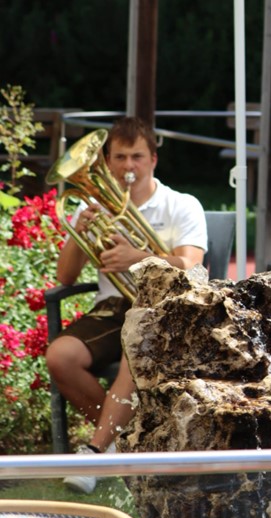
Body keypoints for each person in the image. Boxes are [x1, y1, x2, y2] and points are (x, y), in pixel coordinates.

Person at [45, 116, 208, 493]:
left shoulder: (181, 205)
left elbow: (191, 266)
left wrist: (139, 256)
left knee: (135, 350)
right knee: (60, 357)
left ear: (153, 160)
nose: (128, 166)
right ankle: (126, 440)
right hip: (114, 305)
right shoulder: (92, 207)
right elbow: (65, 276)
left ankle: (94, 451)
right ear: (107, 161)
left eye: (137, 156)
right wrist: (79, 233)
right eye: (119, 157)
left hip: (163, 307)